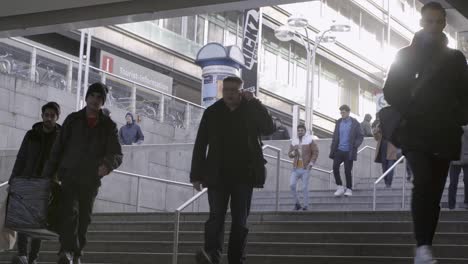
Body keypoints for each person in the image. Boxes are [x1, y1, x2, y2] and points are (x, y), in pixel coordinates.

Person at [383, 2, 468, 263]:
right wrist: (413, 109)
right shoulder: (405, 55)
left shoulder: (455, 58)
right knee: (423, 182)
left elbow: (466, 94)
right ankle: (421, 246)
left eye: (438, 21)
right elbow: (391, 91)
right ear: (421, 22)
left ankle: (425, 245)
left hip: (444, 132)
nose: (433, 26)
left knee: (434, 190)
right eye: (428, 21)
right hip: (415, 132)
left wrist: (456, 117)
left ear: (444, 23)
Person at [190, 76, 274, 264]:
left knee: (240, 222)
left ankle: (236, 259)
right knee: (215, 218)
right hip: (217, 175)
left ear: (241, 91)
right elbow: (200, 143)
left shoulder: (250, 109)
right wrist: (196, 175)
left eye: (233, 90)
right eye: (226, 89)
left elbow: (269, 127)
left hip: (244, 176)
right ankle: (211, 255)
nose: (229, 93)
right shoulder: (212, 112)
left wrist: (254, 102)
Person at [42, 83, 123, 264]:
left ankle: (77, 253)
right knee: (68, 212)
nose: (95, 100)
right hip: (69, 175)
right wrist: (48, 174)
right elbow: (58, 148)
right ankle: (66, 251)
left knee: (84, 218)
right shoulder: (72, 120)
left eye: (99, 98)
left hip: (91, 179)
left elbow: (117, 153)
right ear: (86, 98)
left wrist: (107, 165)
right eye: (92, 96)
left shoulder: (108, 126)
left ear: (102, 102)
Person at [9, 102, 61, 264]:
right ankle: (22, 254)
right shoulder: (31, 134)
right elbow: (21, 157)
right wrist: (13, 179)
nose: (49, 118)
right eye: (46, 115)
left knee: (39, 222)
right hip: (27, 180)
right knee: (24, 220)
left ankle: (33, 258)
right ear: (42, 116)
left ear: (57, 117)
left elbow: (62, 161)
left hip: (46, 184)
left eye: (52, 115)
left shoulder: (60, 137)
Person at [329, 105, 364, 197]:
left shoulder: (355, 123)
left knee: (347, 171)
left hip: (349, 151)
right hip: (339, 150)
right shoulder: (339, 122)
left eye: (343, 112)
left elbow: (360, 136)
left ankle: (349, 189)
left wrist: (355, 145)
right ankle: (340, 187)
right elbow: (335, 136)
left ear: (348, 112)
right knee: (335, 168)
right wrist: (333, 147)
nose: (342, 114)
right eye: (341, 112)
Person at [288, 124, 319, 211]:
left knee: (304, 187)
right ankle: (297, 204)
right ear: (297, 132)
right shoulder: (294, 141)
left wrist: (311, 163)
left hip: (305, 168)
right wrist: (294, 152)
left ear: (304, 131)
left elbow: (315, 152)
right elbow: (290, 154)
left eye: (302, 130)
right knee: (292, 185)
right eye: (299, 130)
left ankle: (305, 206)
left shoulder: (309, 140)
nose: (300, 132)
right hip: (295, 168)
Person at [372, 112, 398, 188]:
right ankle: (386, 182)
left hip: (392, 148)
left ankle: (388, 183)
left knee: (390, 166)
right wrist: (375, 132)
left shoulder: (394, 124)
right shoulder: (379, 125)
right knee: (384, 167)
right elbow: (377, 139)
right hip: (382, 148)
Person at [448, 126, 468, 210]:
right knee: (453, 182)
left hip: (466, 158)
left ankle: (466, 202)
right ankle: (451, 204)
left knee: (467, 181)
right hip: (454, 160)